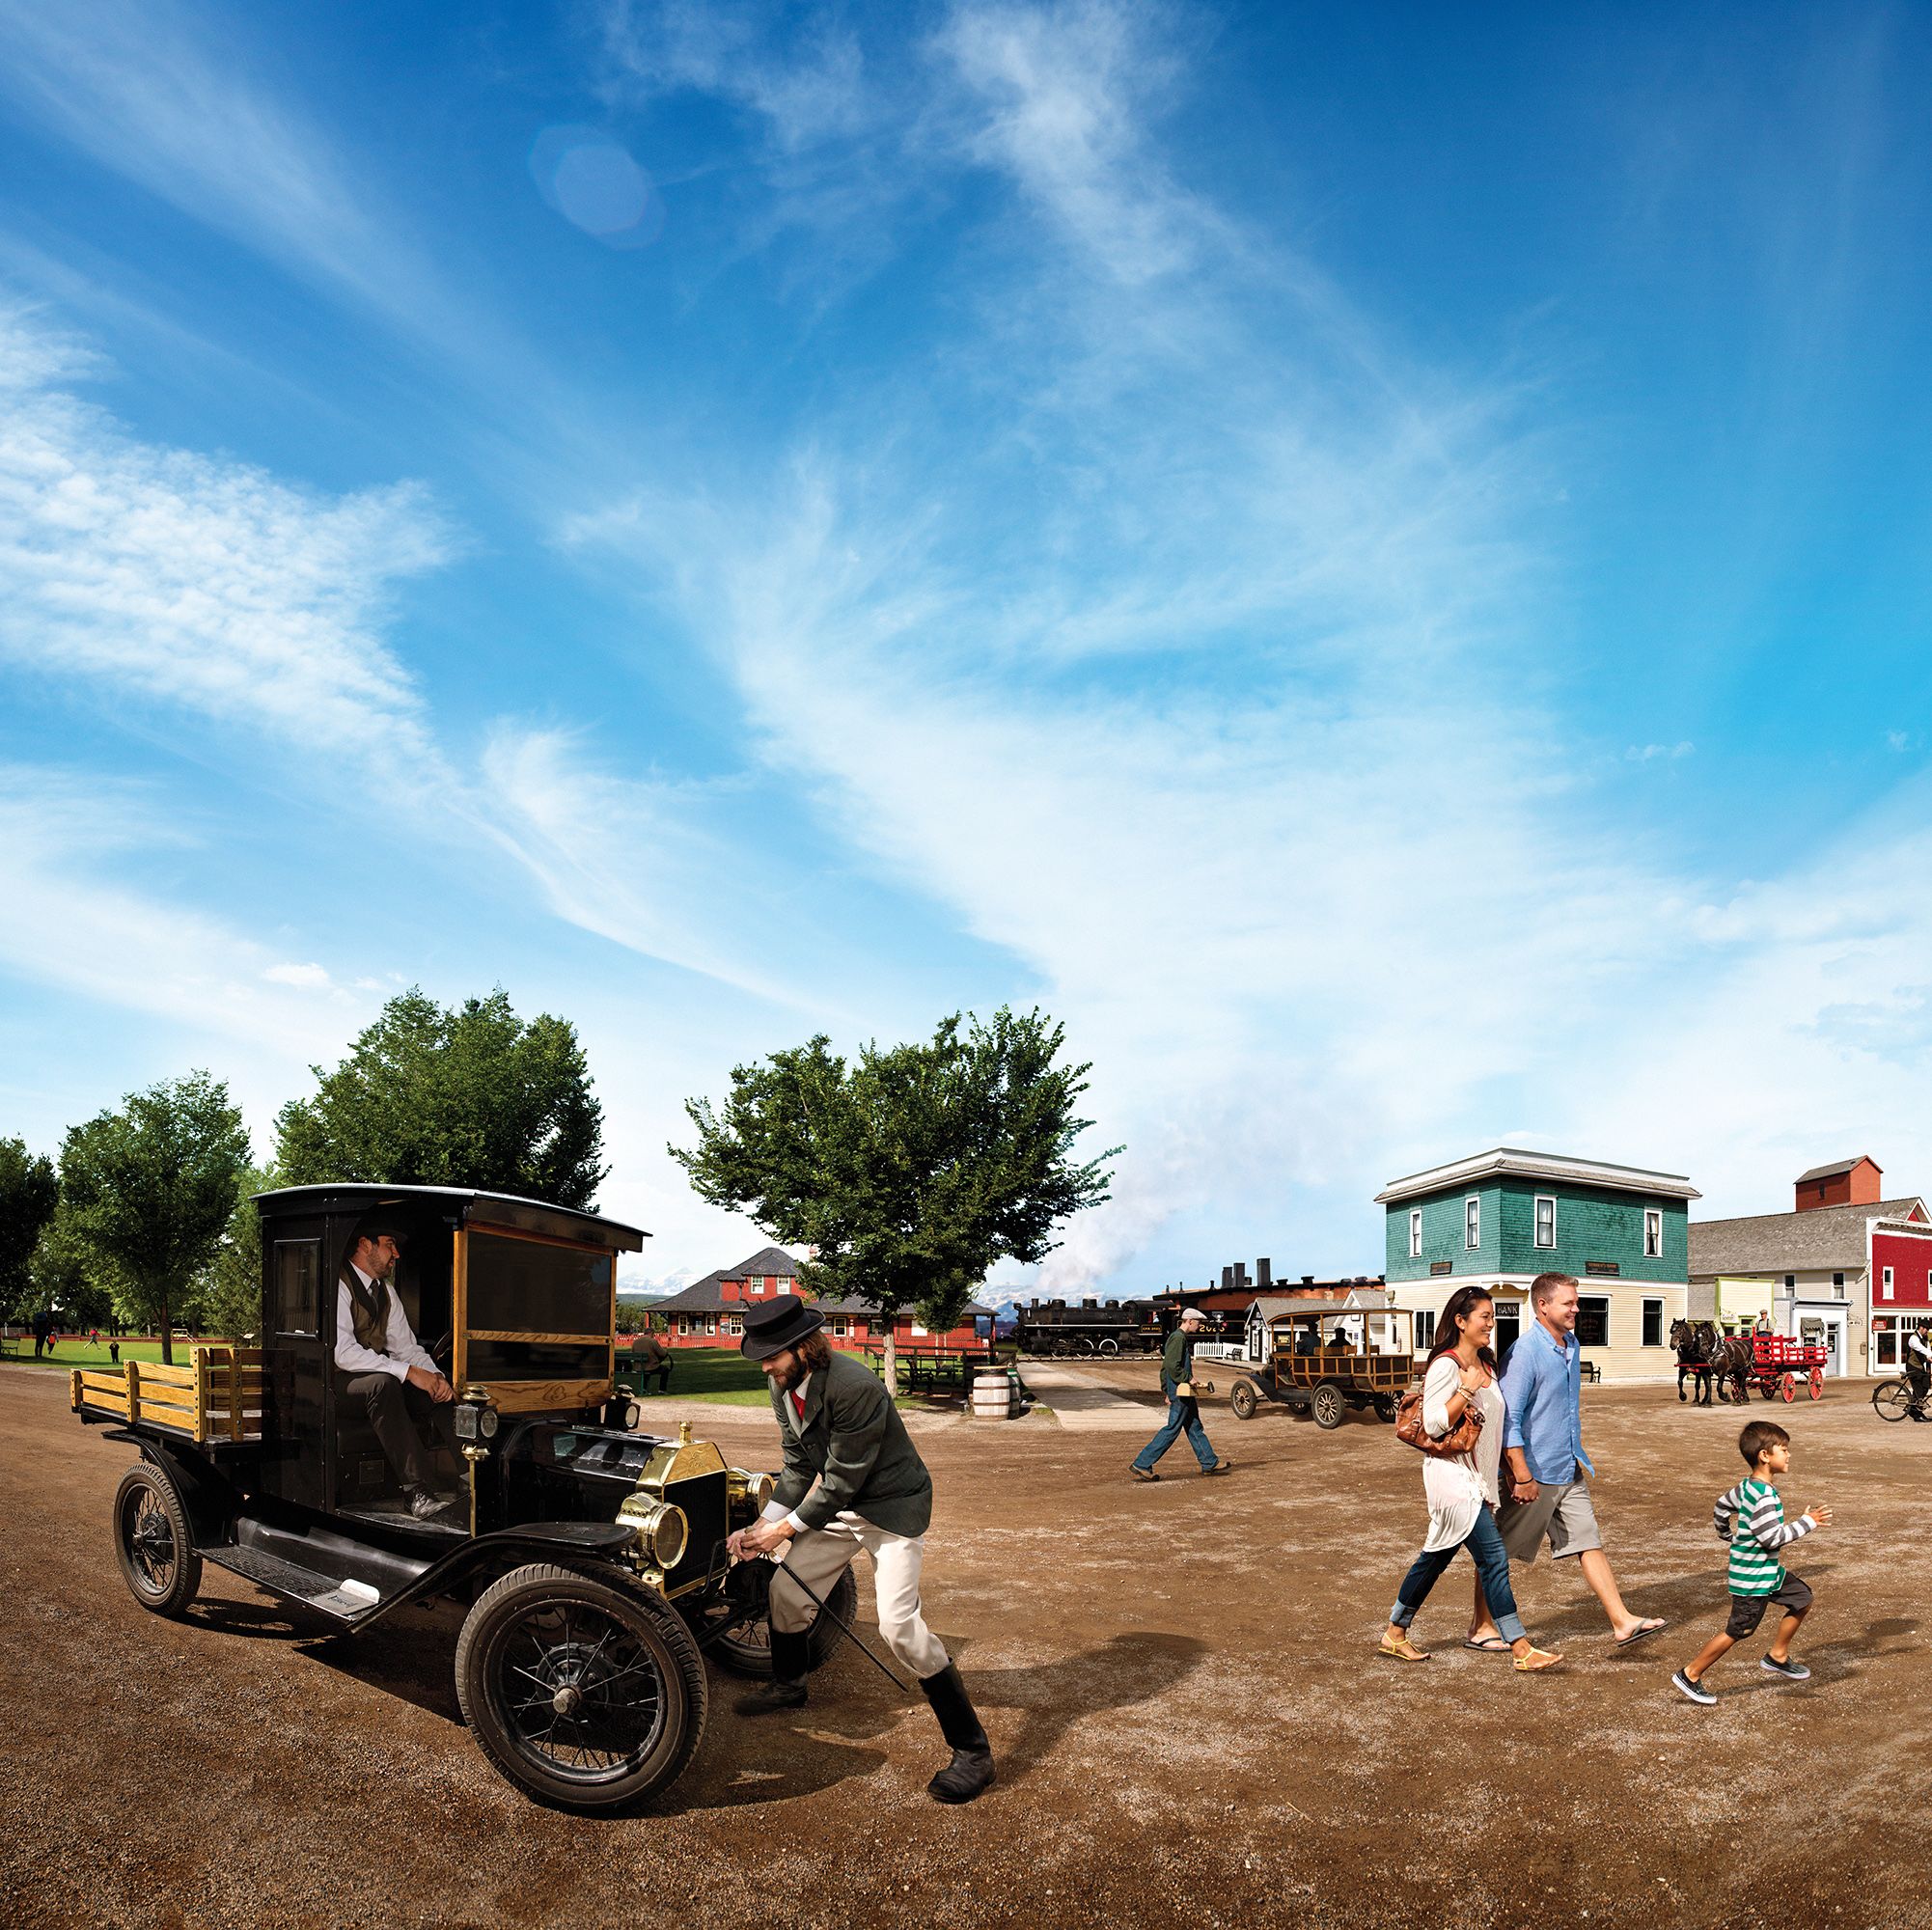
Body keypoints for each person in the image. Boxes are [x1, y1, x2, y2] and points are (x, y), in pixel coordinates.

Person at [726, 1293, 996, 1805]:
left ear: (804, 1347)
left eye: (772, 1354)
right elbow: (800, 1468)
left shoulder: (856, 1387)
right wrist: (759, 1525)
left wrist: (781, 1533)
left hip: (890, 1509)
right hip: (837, 1510)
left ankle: (973, 1752)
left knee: (899, 1627)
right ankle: (790, 1685)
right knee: (786, 1592)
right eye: (760, 1355)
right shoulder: (780, 1384)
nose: (765, 1365)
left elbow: (842, 1481)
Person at [1467, 1271, 1666, 1649]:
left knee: (1588, 1543)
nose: (1577, 1308)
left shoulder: (1572, 1346)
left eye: (1576, 1301)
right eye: (1568, 1303)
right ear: (1542, 1306)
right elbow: (1509, 1416)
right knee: (1500, 1554)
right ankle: (1481, 1627)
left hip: (1569, 1466)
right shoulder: (1525, 1352)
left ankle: (1621, 1621)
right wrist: (1520, 1473)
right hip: (1534, 1474)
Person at [1378, 1286, 1561, 1670]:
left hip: (1479, 1479)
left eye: (1493, 1317)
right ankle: (1521, 1647)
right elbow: (1433, 1422)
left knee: (1434, 1559)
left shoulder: (1487, 1365)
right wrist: (1467, 1388)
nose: (1492, 1324)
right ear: (1461, 1322)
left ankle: (1395, 1632)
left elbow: (1495, 1428)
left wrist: (1508, 1473)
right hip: (1451, 1477)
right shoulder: (1446, 1365)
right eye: (1485, 1317)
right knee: (1494, 1558)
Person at [1671, 1420, 1830, 1704]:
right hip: (1752, 1579)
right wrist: (1808, 1522)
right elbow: (1772, 1538)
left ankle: (1777, 1656)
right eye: (1784, 1449)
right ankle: (1690, 1674)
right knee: (1739, 1630)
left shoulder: (1746, 1487)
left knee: (1802, 1598)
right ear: (1765, 1456)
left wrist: (1725, 1533)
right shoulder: (1764, 1495)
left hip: (1767, 1573)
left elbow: (1721, 1506)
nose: (1789, 1454)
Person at [333, 1219, 460, 1522]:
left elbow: (407, 1349)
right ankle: (416, 1492)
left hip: (373, 1381)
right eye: (389, 1245)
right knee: (384, 1383)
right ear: (365, 1245)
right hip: (332, 1385)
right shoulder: (339, 1285)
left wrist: (435, 1377)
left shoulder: (387, 1293)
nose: (396, 1254)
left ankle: (473, 1477)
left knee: (434, 1391)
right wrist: (407, 1373)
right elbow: (342, 1353)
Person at [1130, 1308, 1232, 1481]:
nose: (1200, 1326)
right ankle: (1142, 1463)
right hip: (1181, 1390)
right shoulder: (1178, 1338)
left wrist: (1166, 1390)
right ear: (1190, 1321)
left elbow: (1164, 1368)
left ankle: (1209, 1462)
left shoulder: (1178, 1337)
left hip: (1180, 1390)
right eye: (1198, 1323)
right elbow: (1172, 1366)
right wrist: (1188, 1379)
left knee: (1194, 1426)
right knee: (1172, 1428)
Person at [630, 1327, 674, 1394]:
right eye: (653, 1334)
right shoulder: (652, 1341)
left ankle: (644, 1389)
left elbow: (632, 1354)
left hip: (638, 1367)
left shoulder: (636, 1342)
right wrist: (666, 1351)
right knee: (665, 1370)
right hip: (650, 1367)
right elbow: (662, 1353)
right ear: (651, 1333)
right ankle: (662, 1390)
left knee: (646, 1370)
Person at [1906, 1322, 1931, 1420]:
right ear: (1921, 1327)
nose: (1927, 1331)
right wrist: (1929, 1354)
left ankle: (1912, 1409)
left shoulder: (1925, 1338)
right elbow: (1920, 1348)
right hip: (1912, 1366)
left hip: (1920, 1367)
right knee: (1918, 1389)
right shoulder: (1913, 1338)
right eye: (1926, 1329)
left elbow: (1927, 1350)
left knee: (1926, 1385)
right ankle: (1916, 1414)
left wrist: (1929, 1357)